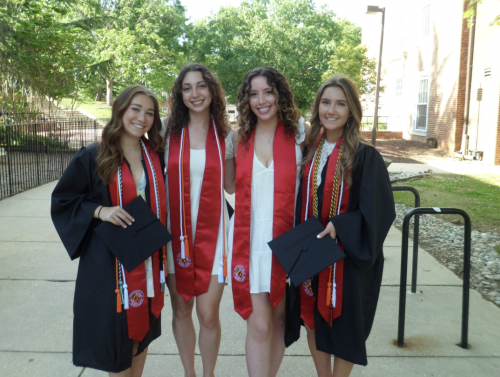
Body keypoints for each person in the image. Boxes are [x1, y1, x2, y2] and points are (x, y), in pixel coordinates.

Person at [51, 85, 167, 376]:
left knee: (142, 339)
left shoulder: (155, 155)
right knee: (118, 341)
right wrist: (101, 210)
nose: (142, 117)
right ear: (121, 110)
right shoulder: (95, 155)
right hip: (111, 265)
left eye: (149, 112)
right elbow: (64, 199)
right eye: (135, 109)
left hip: (149, 259)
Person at [286, 74, 395, 377]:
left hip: (347, 256)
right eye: (325, 102)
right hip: (312, 252)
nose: (331, 110)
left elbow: (380, 211)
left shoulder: (365, 157)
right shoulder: (309, 152)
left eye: (340, 104)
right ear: (317, 106)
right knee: (311, 319)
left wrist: (341, 225)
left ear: (351, 110)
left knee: (345, 325)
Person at [228, 66, 307, 377]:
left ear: (280, 95)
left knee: (278, 322)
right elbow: (228, 186)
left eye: (268, 92)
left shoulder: (300, 134)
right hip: (250, 242)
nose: (261, 100)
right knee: (259, 324)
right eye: (253, 94)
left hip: (287, 242)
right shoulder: (237, 139)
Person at [163, 63, 235, 377]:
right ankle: (189, 373)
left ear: (212, 91)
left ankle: (208, 374)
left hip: (215, 233)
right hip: (173, 233)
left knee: (208, 314)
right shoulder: (165, 132)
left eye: (201, 86)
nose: (195, 94)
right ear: (180, 95)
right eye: (187, 88)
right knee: (181, 309)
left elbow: (233, 186)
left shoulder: (227, 137)